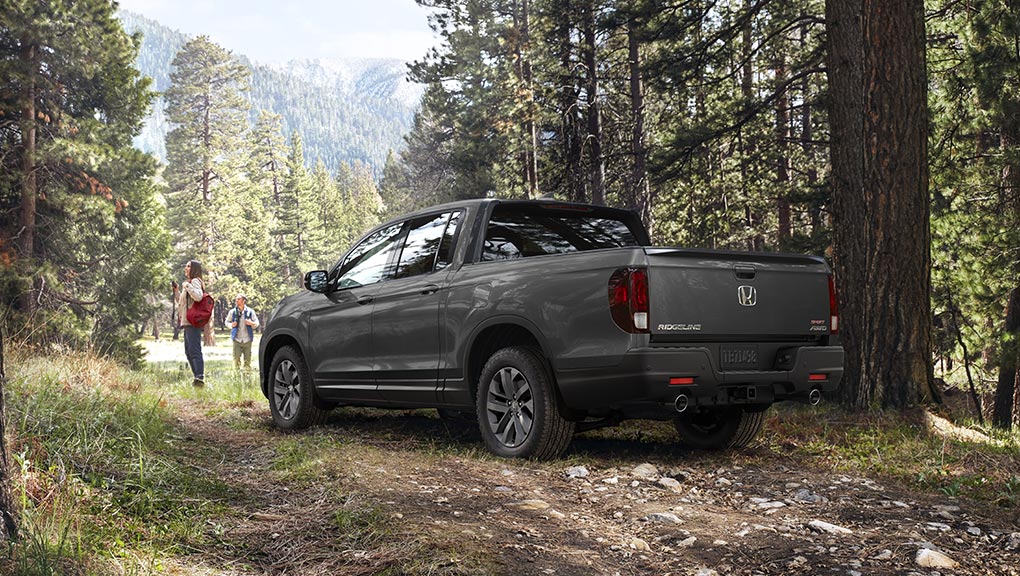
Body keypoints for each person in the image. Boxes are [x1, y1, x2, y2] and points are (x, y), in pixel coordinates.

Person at [177, 260, 206, 386]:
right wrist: (177, 290)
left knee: (194, 350)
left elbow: (198, 296)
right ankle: (197, 377)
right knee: (189, 351)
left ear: (194, 269)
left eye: (188, 266)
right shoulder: (188, 283)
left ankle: (199, 377)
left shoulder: (195, 281)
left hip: (192, 322)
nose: (186, 268)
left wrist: (187, 286)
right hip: (187, 322)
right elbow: (182, 302)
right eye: (186, 266)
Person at [225, 293, 259, 371]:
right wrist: (231, 325)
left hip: (247, 340)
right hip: (237, 339)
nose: (236, 301)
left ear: (244, 301)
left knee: (247, 361)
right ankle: (237, 378)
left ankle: (247, 378)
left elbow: (257, 323)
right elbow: (227, 322)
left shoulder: (250, 312)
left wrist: (251, 323)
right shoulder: (232, 312)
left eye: (238, 299)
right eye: (236, 299)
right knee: (236, 360)